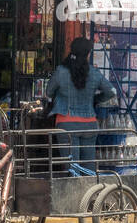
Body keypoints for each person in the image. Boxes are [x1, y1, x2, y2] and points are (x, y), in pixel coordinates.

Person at [45, 36, 113, 165]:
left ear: (71, 51)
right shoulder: (94, 72)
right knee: (89, 168)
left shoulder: (61, 71)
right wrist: (96, 99)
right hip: (90, 124)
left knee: (72, 168)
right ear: (88, 54)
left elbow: (48, 92)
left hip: (66, 124)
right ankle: (91, 186)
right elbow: (112, 92)